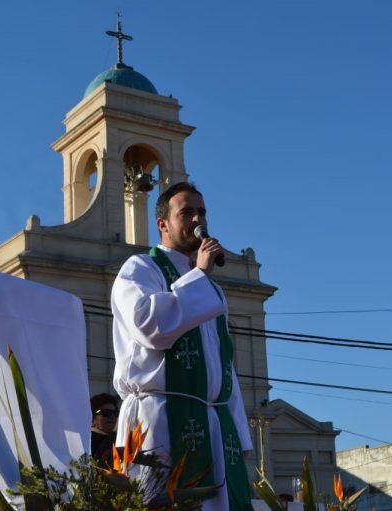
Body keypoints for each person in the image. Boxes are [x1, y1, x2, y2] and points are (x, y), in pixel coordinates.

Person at [112, 182, 253, 510]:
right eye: (186, 212)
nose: (196, 219)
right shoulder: (140, 269)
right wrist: (199, 276)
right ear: (163, 224)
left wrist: (239, 435)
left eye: (201, 212)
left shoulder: (210, 288)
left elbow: (222, 365)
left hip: (215, 425)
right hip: (160, 419)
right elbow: (150, 327)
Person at [90, 393, 118, 467]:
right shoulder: (89, 439)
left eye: (115, 413)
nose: (112, 416)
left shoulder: (118, 437)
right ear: (92, 419)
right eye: (106, 413)